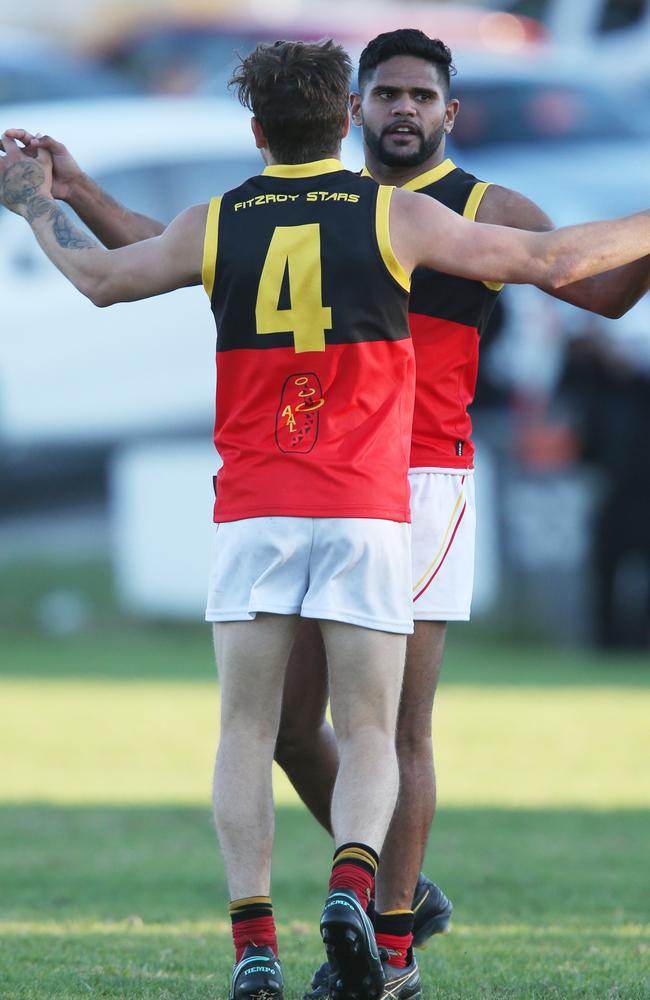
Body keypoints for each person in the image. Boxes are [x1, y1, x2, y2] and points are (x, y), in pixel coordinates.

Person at [4, 36, 650, 1000]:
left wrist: (43, 204)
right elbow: (175, 249)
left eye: (418, 96)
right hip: (346, 490)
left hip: (418, 481)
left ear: (448, 113)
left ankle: (390, 951)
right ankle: (386, 887)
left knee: (393, 732)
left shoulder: (472, 207)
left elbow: (583, 281)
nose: (400, 109)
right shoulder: (358, 210)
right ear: (350, 111)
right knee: (294, 732)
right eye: (383, 92)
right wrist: (82, 187)